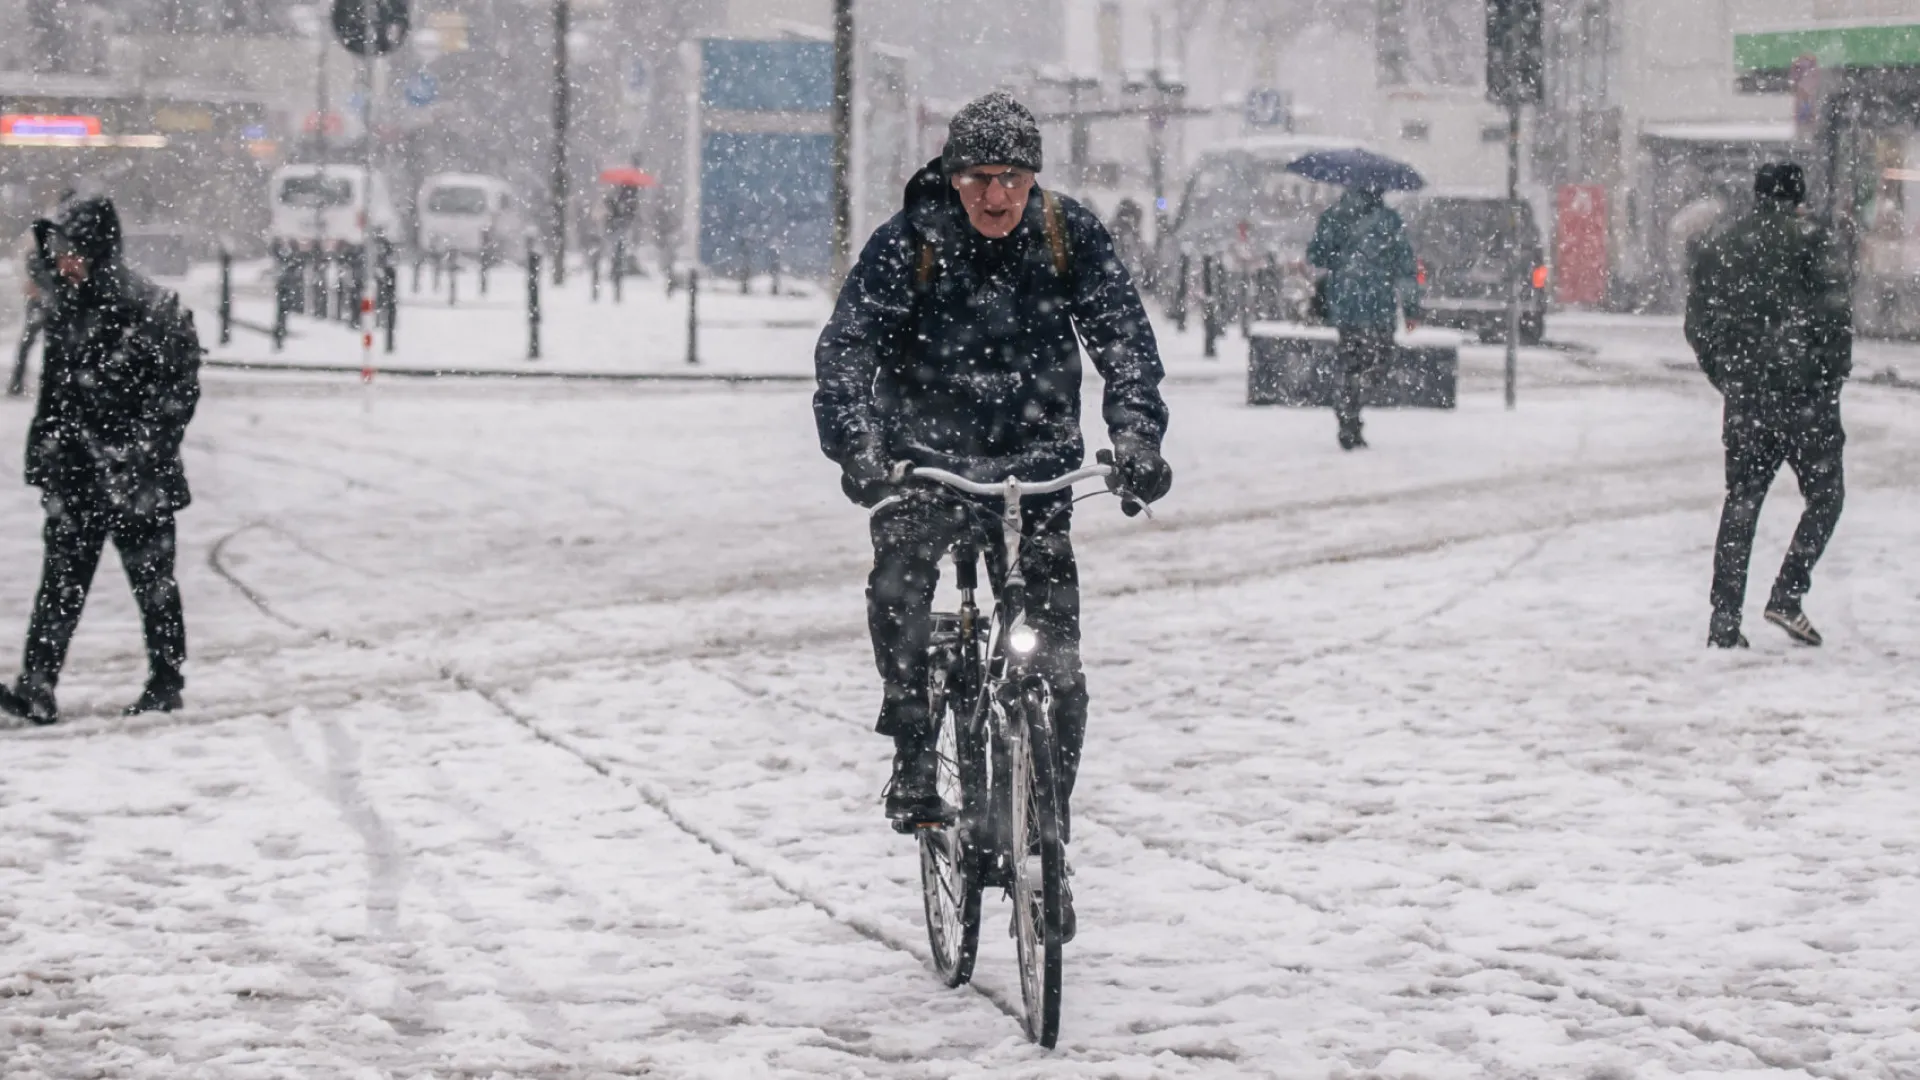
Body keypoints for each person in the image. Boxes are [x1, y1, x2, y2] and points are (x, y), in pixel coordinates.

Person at [814, 90, 1172, 924]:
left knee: (1059, 669)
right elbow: (848, 349)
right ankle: (911, 743)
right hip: (927, 461)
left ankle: (1048, 839)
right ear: (951, 174)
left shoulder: (1066, 235)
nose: (995, 196)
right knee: (901, 579)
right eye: (978, 177)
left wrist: (1138, 439)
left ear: (1033, 178)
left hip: (1037, 467)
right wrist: (860, 447)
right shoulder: (912, 243)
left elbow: (1126, 343)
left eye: (1011, 177)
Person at [0, 196, 202, 725]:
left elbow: (177, 394)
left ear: (96, 250)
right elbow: (57, 396)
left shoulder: (146, 307)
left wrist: (141, 457)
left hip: (136, 477)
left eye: (72, 250)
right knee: (60, 586)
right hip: (77, 473)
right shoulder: (68, 306)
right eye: (59, 251)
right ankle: (36, 687)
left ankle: (166, 681)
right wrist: (46, 461)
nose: (64, 261)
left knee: (153, 584)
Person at [1686, 162, 1851, 649]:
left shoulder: (1721, 242)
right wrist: (1827, 378)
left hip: (1747, 400)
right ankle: (1787, 592)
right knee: (1826, 496)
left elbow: (1699, 323)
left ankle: (1723, 622)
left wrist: (1730, 377)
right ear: (1796, 197)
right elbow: (1834, 317)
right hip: (1806, 399)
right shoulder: (1811, 240)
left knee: (1741, 502)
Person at [1306, 182, 1419, 450]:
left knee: (1349, 360)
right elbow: (1405, 267)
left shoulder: (1333, 216)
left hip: (1345, 303)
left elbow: (1316, 256)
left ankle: (1348, 413)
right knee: (1380, 361)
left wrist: (1336, 252)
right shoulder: (1389, 221)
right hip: (1379, 305)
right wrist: (1411, 308)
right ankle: (1353, 407)